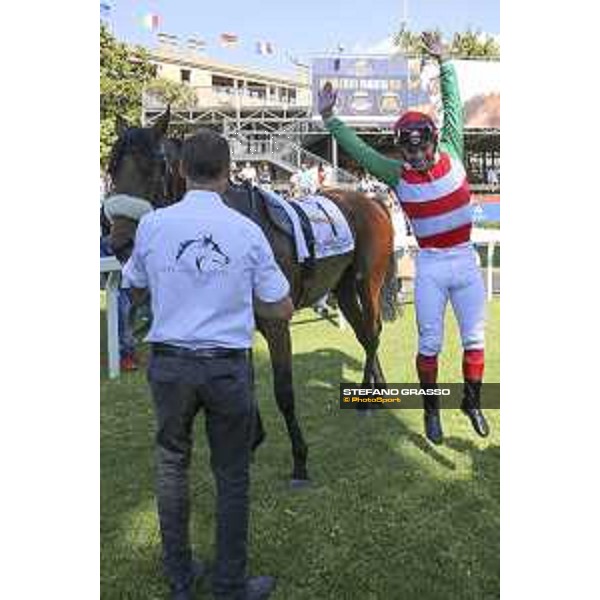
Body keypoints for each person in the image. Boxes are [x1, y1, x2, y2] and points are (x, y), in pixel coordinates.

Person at [123, 128, 293, 600]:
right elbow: (281, 308)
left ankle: (179, 578)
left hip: (172, 367)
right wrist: (235, 300)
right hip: (226, 369)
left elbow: (134, 285)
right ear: (226, 174)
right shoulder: (247, 231)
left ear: (180, 170)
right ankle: (230, 584)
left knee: (172, 468)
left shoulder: (154, 225)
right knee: (232, 476)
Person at [318, 31, 489, 445]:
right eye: (406, 151)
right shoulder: (395, 174)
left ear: (433, 142)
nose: (414, 157)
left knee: (475, 339)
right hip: (431, 263)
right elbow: (359, 151)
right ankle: (431, 410)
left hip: (465, 260)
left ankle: (472, 400)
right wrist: (330, 120)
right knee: (429, 342)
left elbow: (453, 108)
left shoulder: (453, 147)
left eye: (420, 148)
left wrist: (446, 62)